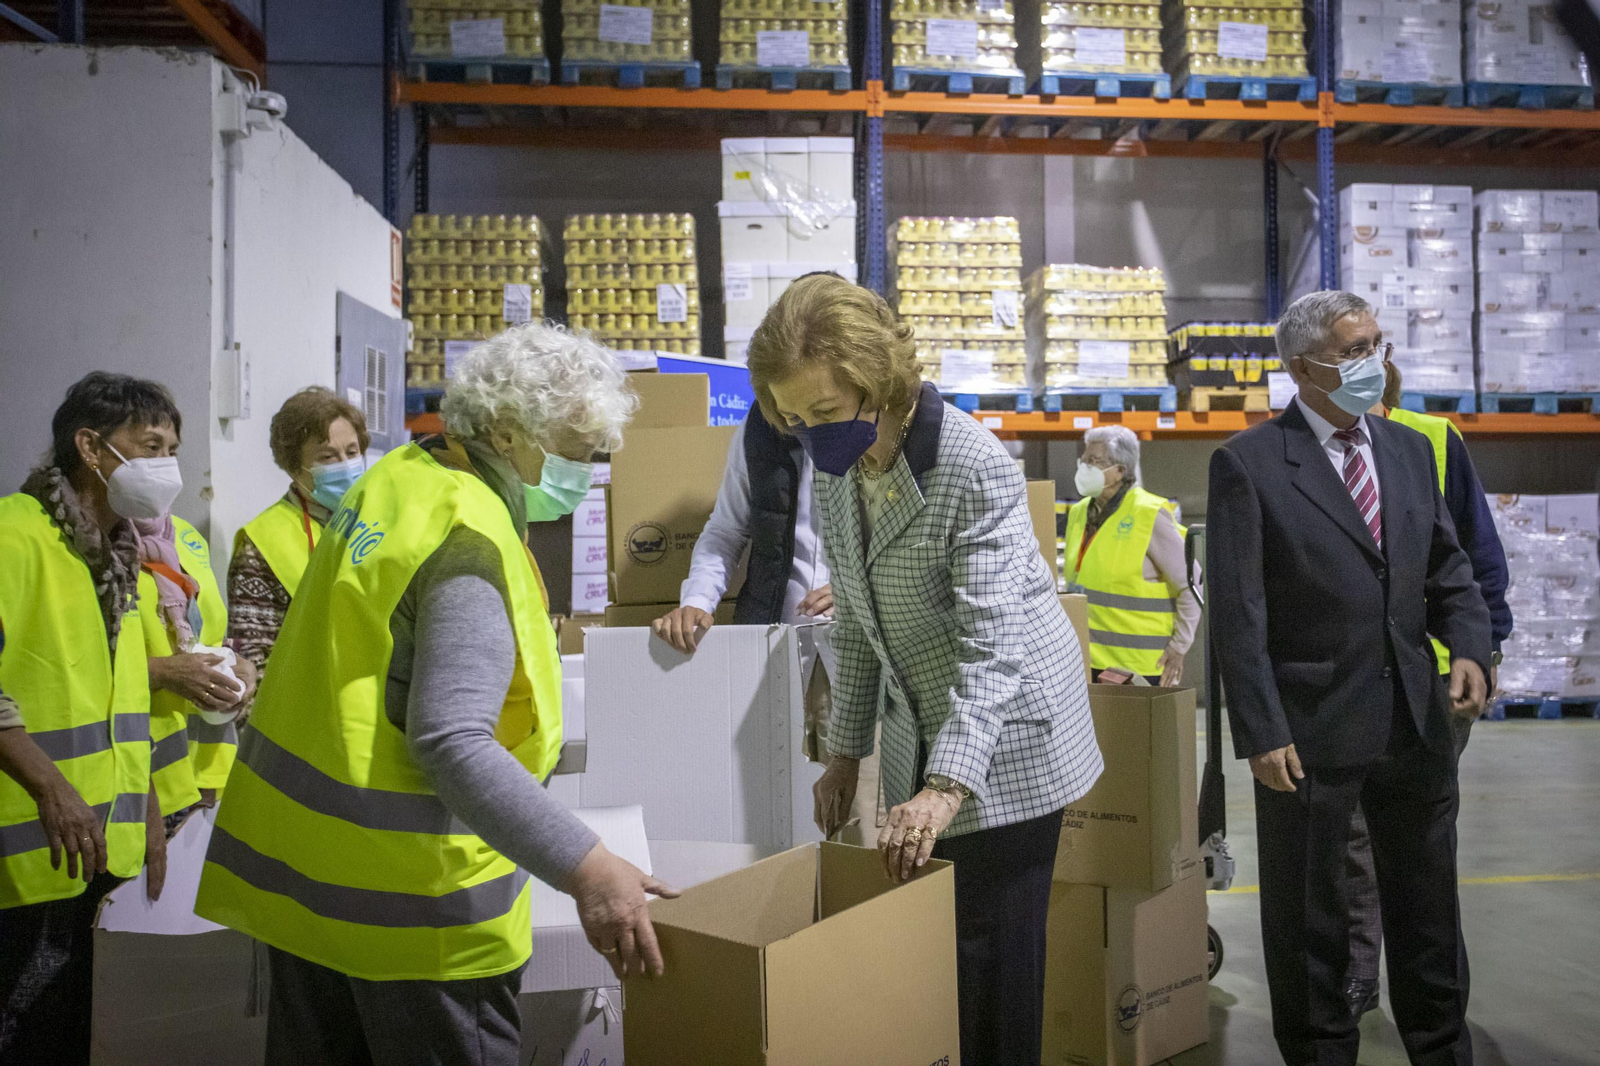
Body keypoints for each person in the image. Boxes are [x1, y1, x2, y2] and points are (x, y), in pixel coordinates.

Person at [195, 324, 675, 1066]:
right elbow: (451, 741)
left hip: (312, 890)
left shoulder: (398, 481)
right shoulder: (467, 537)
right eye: (579, 453)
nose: (587, 475)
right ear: (510, 432)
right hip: (414, 918)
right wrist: (589, 868)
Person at [747, 274, 1103, 1066]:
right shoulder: (840, 471)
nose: (811, 435)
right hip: (926, 724)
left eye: (825, 413)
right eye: (795, 420)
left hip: (1008, 740)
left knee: (991, 958)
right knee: (941, 954)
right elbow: (857, 621)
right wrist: (845, 753)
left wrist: (944, 789)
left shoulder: (971, 467)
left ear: (876, 381)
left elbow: (992, 647)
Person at [1208, 290, 1491, 1066]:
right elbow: (1239, 613)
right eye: (1354, 351)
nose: (1375, 363)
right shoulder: (1249, 464)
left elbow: (1448, 568)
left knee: (1429, 911)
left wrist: (1470, 647)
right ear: (1302, 368)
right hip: (1311, 730)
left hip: (1415, 722)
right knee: (1312, 920)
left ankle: (1441, 1046)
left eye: (1377, 344)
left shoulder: (1407, 451)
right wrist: (1261, 731)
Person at [0, 372, 179, 1065]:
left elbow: (118, 698)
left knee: (72, 1033)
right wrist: (51, 789)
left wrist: (148, 803)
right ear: (90, 447)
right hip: (26, 853)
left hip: (96, 851)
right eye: (151, 445)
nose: (166, 465)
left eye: (172, 449)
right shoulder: (15, 535)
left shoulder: (119, 553)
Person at [1340, 361, 1516, 1015]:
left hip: (1437, 675)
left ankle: (1431, 992)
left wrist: (1484, 646)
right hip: (1358, 676)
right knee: (1354, 834)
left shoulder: (1433, 439)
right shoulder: (1319, 450)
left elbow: (1477, 552)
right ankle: (1359, 974)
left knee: (1421, 836)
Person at [650, 403, 874, 841]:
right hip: (770, 651)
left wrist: (855, 590)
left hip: (857, 658)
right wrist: (697, 600)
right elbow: (726, 528)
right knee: (765, 814)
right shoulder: (759, 430)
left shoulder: (875, 423)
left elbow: (915, 544)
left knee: (858, 822)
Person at [227, 387, 370, 698]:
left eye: (352, 452)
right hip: (305, 710)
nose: (345, 465)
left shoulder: (380, 520)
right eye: (327, 457)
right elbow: (254, 658)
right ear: (294, 467)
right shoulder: (263, 541)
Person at [138, 504, 257, 815]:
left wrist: (236, 662)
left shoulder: (183, 533)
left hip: (201, 768)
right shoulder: (95, 540)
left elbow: (204, 629)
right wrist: (159, 672)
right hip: (144, 779)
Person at [1064, 424, 1201, 686]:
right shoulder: (1079, 512)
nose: (1085, 467)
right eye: (1084, 460)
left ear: (1120, 470)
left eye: (1095, 461)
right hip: (1085, 662)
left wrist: (1179, 646)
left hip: (1138, 668)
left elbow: (1192, 584)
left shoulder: (1148, 514)